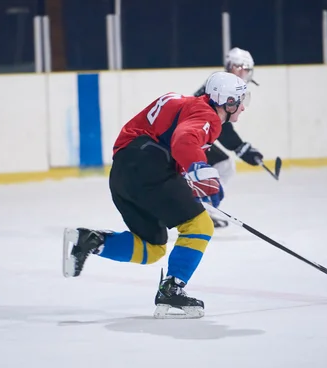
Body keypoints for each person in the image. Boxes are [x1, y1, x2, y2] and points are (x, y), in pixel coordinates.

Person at [62, 71, 249, 319]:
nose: (243, 107)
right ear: (226, 101)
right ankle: (172, 289)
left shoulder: (187, 105)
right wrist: (198, 169)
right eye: (239, 100)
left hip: (124, 173)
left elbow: (170, 141)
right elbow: (183, 141)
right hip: (148, 166)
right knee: (200, 225)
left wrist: (190, 178)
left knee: (153, 248)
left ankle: (91, 241)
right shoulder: (208, 116)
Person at [195, 47, 264, 228]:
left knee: (222, 166)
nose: (242, 72)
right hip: (192, 136)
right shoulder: (225, 86)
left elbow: (219, 123)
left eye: (246, 68)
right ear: (229, 66)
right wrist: (240, 148)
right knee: (223, 166)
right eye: (238, 67)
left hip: (195, 134)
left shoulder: (223, 83)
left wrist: (241, 147)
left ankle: (202, 207)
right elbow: (219, 124)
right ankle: (201, 210)